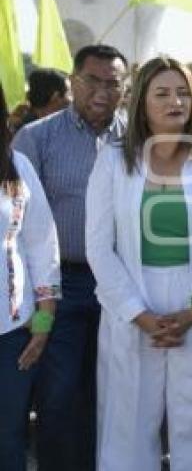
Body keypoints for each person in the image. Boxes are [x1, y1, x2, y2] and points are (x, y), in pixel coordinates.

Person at [85, 56, 192, 470]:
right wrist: (138, 314)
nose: (175, 101)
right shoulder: (114, 158)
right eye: (162, 93)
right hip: (132, 306)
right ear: (141, 103)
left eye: (182, 93)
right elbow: (99, 247)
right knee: (127, 433)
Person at [14, 43, 128, 471]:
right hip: (58, 284)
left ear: (124, 88)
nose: (102, 91)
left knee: (114, 393)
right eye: (92, 81)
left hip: (120, 282)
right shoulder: (36, 137)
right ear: (72, 83)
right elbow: (18, 222)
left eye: (112, 83)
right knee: (58, 395)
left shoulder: (137, 140)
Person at [0, 80, 61, 471]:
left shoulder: (15, 167)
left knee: (8, 437)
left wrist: (42, 323)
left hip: (12, 334)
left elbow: (42, 246)